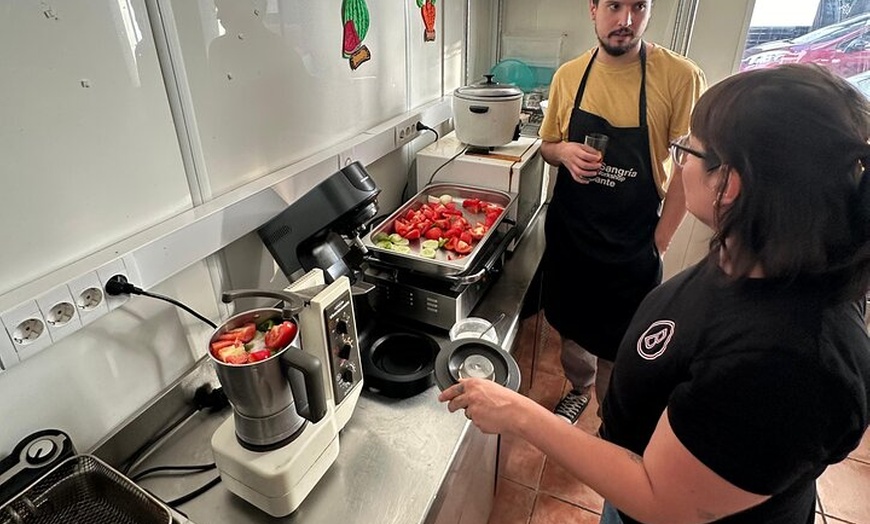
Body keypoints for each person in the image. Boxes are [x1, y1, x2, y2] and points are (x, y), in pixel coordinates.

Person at [440, 64, 870, 524]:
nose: (680, 162)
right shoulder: (755, 251)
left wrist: (518, 414)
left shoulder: (788, 365)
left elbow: (661, 499)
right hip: (631, 477)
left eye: (689, 149)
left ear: (730, 183)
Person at [538, 0, 706, 424]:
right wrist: (564, 152)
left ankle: (613, 415)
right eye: (614, 6)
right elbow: (546, 146)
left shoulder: (680, 77)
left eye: (639, 6)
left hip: (632, 243)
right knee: (572, 330)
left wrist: (660, 242)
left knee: (624, 343)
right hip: (573, 237)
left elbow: (688, 169)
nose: (626, 20)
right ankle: (578, 388)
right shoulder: (569, 77)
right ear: (592, 9)